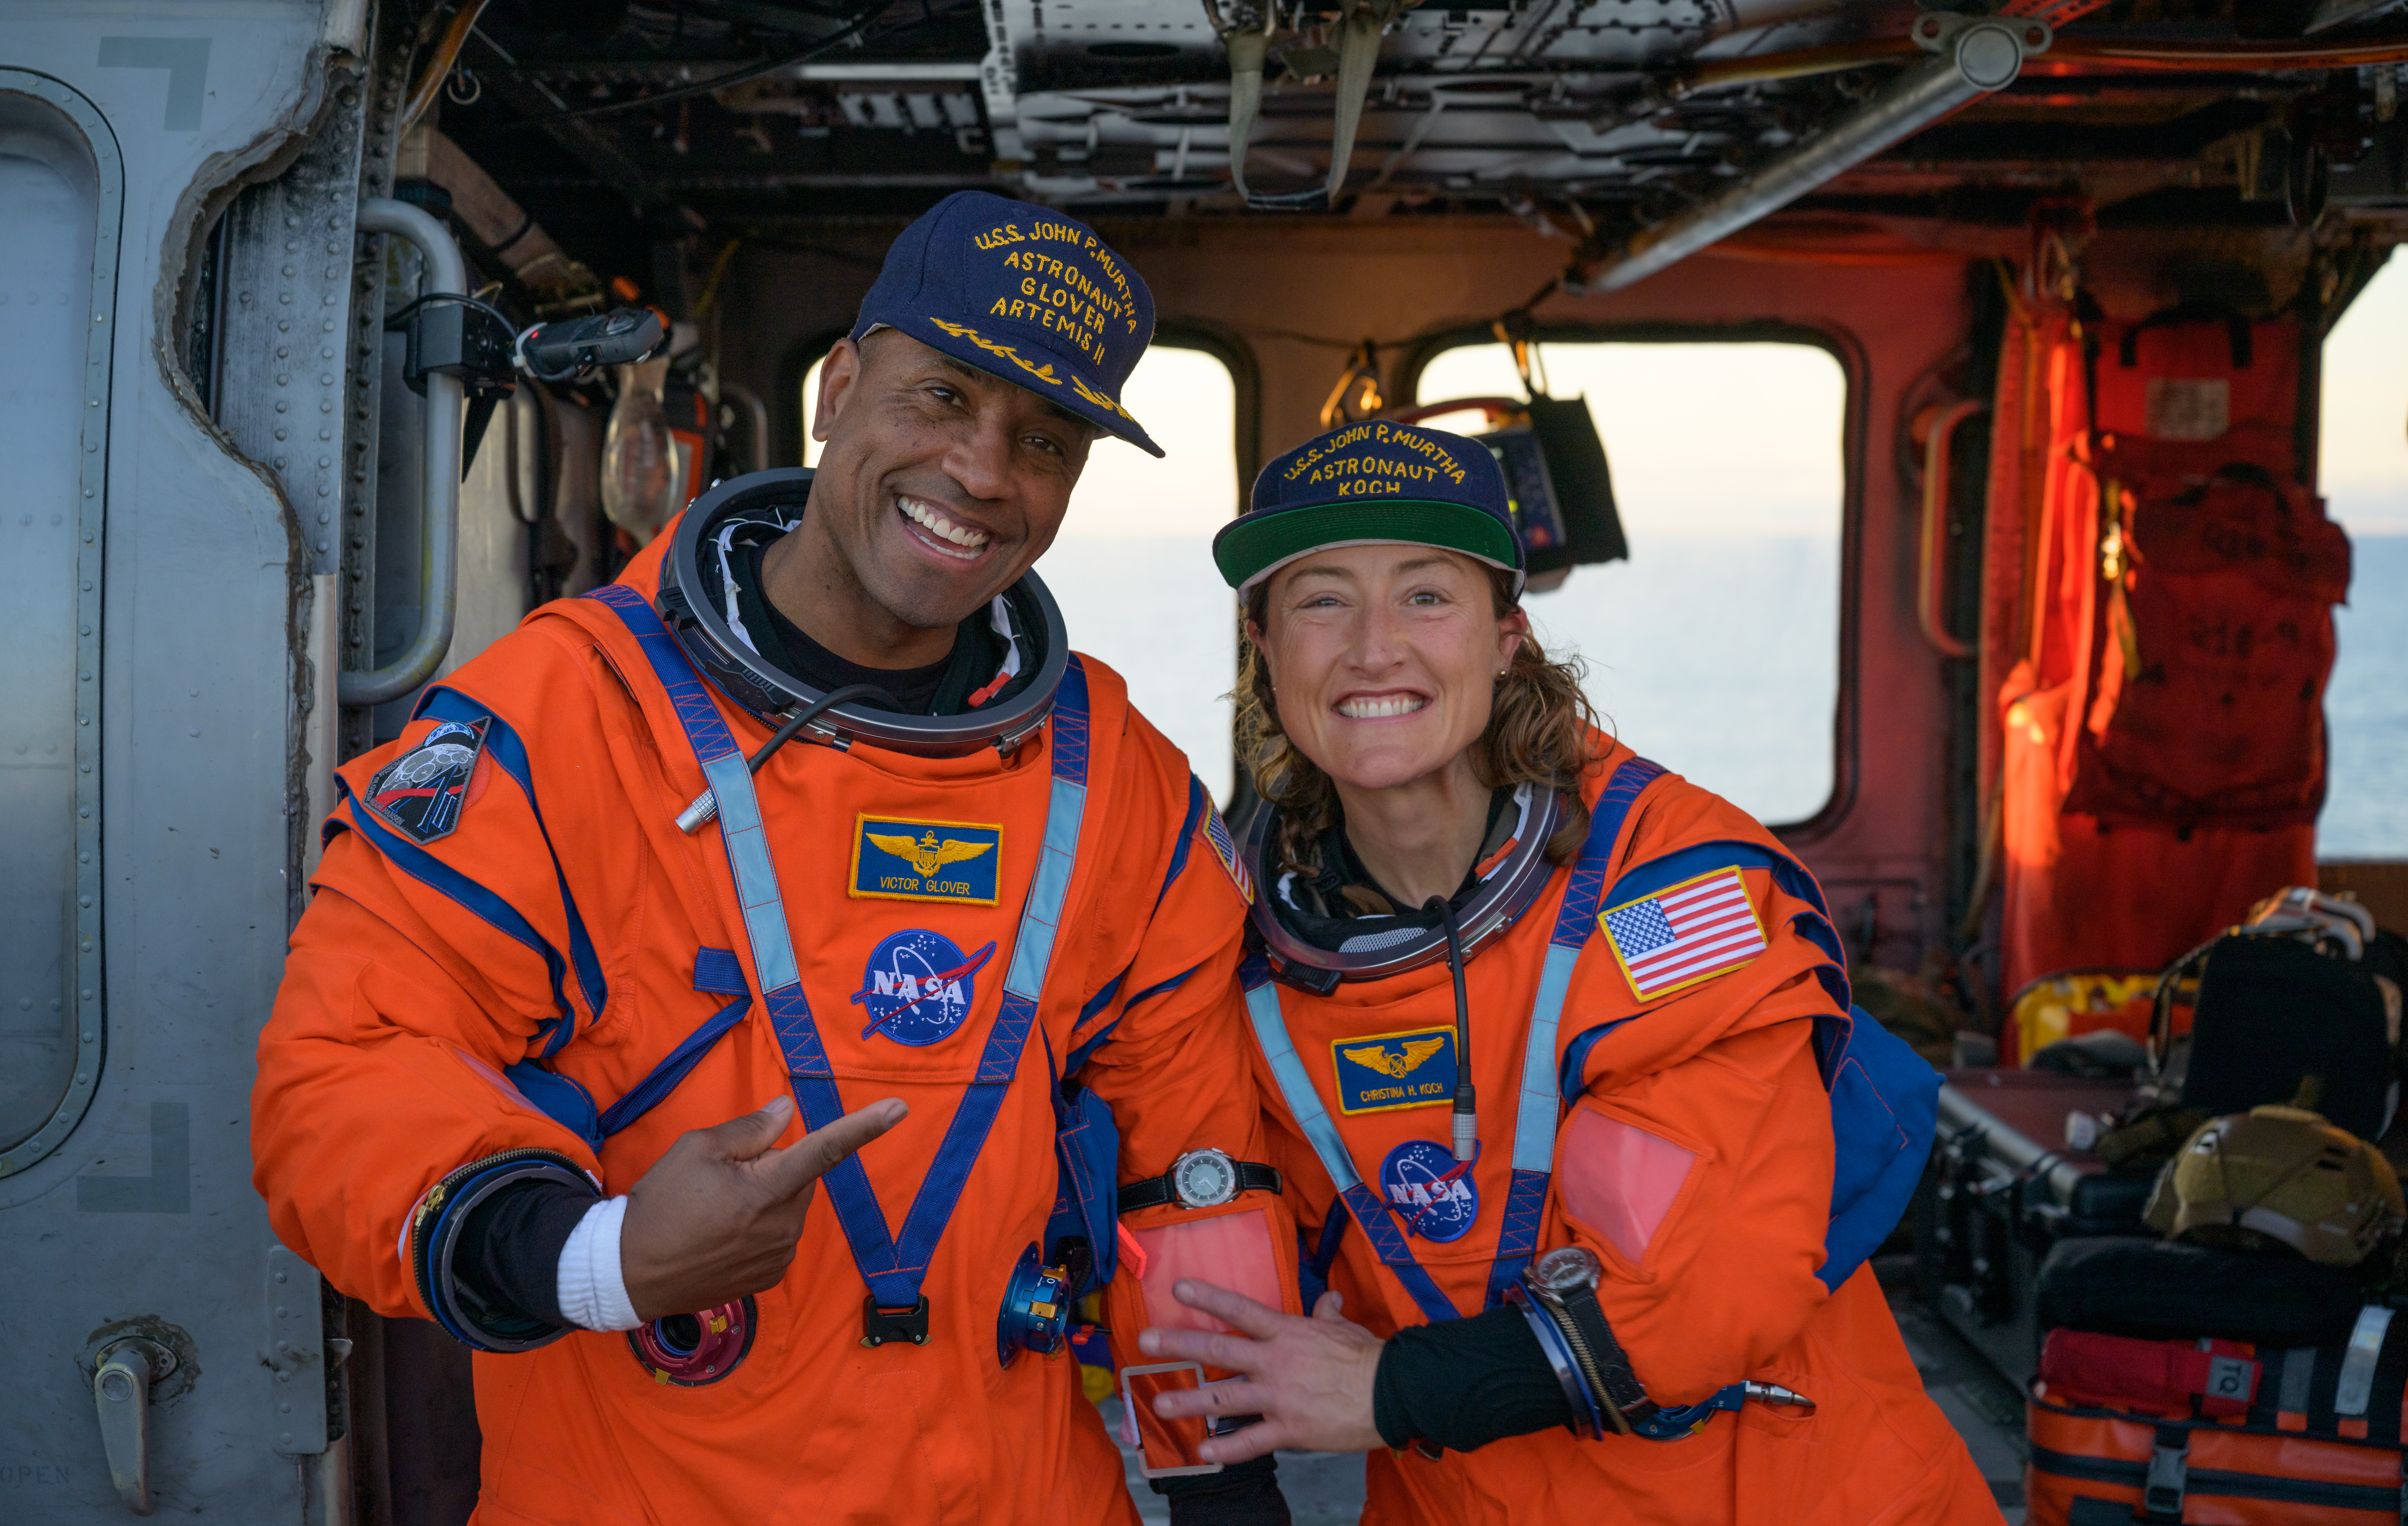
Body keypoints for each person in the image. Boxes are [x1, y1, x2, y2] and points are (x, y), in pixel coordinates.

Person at [251, 192, 1297, 1526]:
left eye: (1043, 438)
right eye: (940, 397)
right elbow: (342, 1071)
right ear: (839, 388)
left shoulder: (1118, 780)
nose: (983, 470)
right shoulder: (563, 718)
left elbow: (1192, 1164)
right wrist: (599, 1256)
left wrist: (1228, 1488)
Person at [1135, 420, 1997, 1522]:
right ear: (1261, 643)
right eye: (1320, 600)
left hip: (1777, 1489)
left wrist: (1395, 1389)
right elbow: (1200, 1227)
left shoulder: (1667, 885)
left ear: (1507, 637)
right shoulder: (1239, 946)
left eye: (1426, 595)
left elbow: (1714, 1277)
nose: (1372, 647)